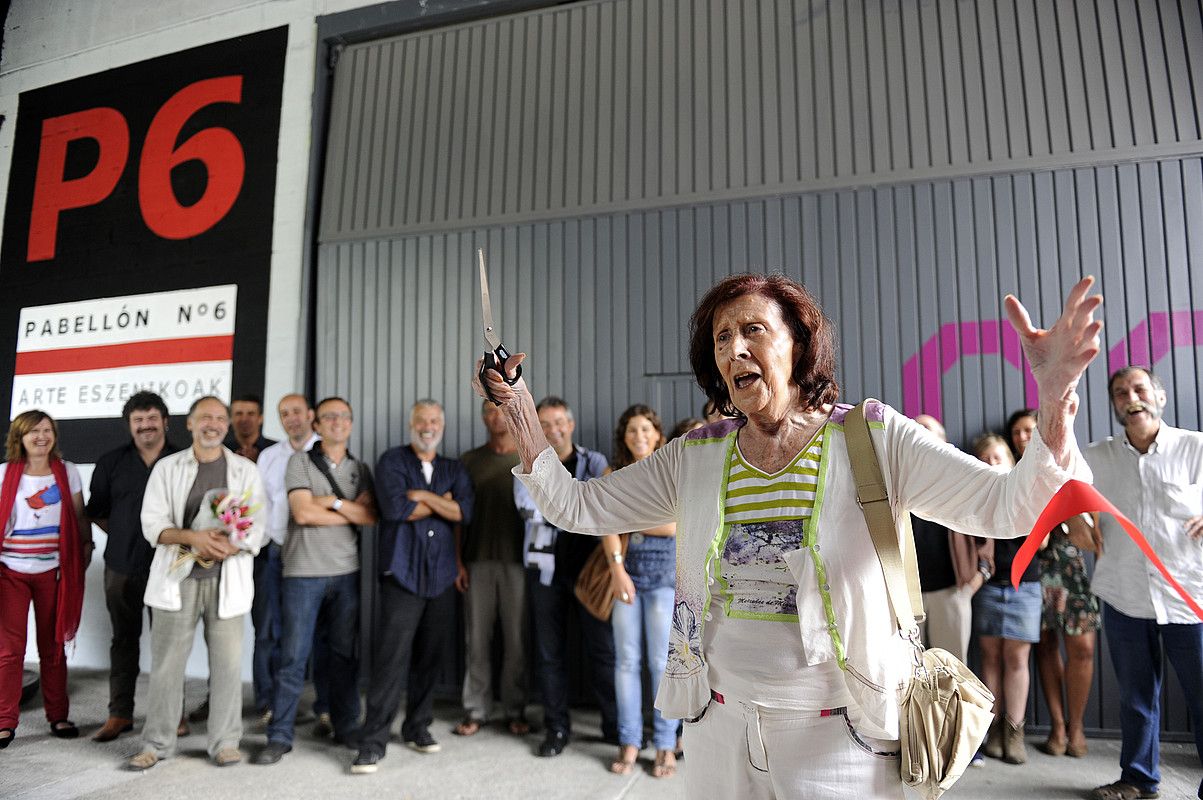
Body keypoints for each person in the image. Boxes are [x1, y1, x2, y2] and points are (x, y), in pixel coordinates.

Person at [475, 272, 1101, 798]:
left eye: (753, 330)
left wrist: (1053, 398)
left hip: (844, 736)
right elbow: (576, 505)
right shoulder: (697, 453)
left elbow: (1008, 509)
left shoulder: (874, 437)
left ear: (799, 344)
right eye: (722, 338)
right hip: (719, 728)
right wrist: (518, 408)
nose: (734, 348)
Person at [127, 395, 267, 771]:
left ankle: (224, 742)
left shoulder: (244, 471)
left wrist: (230, 544)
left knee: (226, 665)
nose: (213, 424)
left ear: (227, 426)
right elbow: (152, 525)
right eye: (205, 417)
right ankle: (156, 743)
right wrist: (194, 538)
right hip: (178, 578)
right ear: (189, 424)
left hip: (227, 580)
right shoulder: (168, 468)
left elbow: (259, 527)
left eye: (220, 418)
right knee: (167, 666)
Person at [1084, 367, 1203, 800]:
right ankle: (1138, 779)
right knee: (1135, 699)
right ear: (1114, 404)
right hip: (1124, 594)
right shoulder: (1095, 458)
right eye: (1120, 393)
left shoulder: (1197, 448)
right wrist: (1074, 526)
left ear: (1159, 396)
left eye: (1138, 389)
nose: (1130, 397)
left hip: (1188, 597)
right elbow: (1072, 512)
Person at [351, 400, 473, 774]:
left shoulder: (454, 467)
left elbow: (465, 513)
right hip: (401, 574)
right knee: (390, 660)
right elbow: (393, 510)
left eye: (435, 420)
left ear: (443, 425)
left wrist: (420, 497)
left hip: (440, 577)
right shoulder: (391, 461)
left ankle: (417, 727)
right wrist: (441, 503)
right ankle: (372, 742)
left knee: (429, 658)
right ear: (411, 424)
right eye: (422, 420)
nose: (428, 426)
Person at [257, 397, 376, 765]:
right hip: (302, 573)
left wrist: (333, 504)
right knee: (293, 656)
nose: (337, 422)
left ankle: (345, 726)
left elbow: (369, 516)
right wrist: (346, 510)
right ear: (317, 425)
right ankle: (279, 735)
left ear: (351, 424)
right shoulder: (300, 461)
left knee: (342, 654)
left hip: (346, 573)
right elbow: (302, 512)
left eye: (344, 416)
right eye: (329, 417)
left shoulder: (360, 468)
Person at [513, 396, 617, 757]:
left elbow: (601, 509)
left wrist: (566, 505)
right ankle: (556, 728)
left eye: (559, 423)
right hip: (544, 574)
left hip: (589, 573)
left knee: (602, 652)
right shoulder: (527, 466)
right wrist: (574, 503)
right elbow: (531, 511)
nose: (553, 430)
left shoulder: (595, 462)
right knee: (549, 654)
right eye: (544, 425)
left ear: (570, 425)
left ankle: (614, 727)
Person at [1006, 408, 1099, 759]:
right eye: (1016, 433)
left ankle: (1077, 728)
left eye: (1029, 430)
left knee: (1083, 649)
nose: (1021, 437)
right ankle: (1058, 727)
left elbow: (1089, 539)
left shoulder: (1069, 471)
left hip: (1071, 570)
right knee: (1044, 647)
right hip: (1033, 571)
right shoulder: (1014, 476)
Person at [87, 392, 179, 742]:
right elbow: (97, 510)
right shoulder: (111, 462)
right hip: (121, 565)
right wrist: (126, 532)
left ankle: (173, 714)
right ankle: (119, 715)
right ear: (129, 424)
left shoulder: (182, 459)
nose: (146, 425)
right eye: (138, 420)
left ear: (165, 421)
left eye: (152, 418)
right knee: (123, 640)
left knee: (169, 644)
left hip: (169, 566)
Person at [0, 410, 88, 748]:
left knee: (53, 648)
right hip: (11, 574)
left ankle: (58, 715)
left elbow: (79, 517)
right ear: (19, 437)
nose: (41, 436)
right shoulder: (7, 473)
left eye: (47, 430)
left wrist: (85, 548)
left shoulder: (68, 473)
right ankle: (5, 721)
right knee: (9, 651)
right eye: (33, 431)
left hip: (54, 572)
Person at [600, 404, 678, 778]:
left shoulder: (671, 472)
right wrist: (616, 568)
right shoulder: (612, 474)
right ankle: (630, 741)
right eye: (632, 430)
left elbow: (675, 526)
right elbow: (605, 524)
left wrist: (627, 515)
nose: (639, 436)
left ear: (658, 435)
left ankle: (665, 744)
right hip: (625, 576)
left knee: (661, 664)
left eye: (646, 429)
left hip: (665, 578)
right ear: (624, 437)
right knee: (626, 662)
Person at [454, 401, 529, 737]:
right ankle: (476, 709)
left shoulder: (527, 458)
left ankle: (515, 709)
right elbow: (457, 517)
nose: (495, 416)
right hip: (477, 560)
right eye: (488, 411)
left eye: (500, 410)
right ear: (483, 417)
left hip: (519, 563)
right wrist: (458, 561)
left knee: (517, 641)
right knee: (476, 640)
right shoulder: (469, 461)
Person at [969, 433, 1042, 765]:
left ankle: (1015, 731)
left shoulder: (1029, 491)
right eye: (984, 459)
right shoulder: (975, 498)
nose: (991, 464)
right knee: (989, 658)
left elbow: (1041, 543)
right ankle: (993, 727)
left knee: (1016, 658)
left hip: (1024, 587)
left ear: (1011, 462)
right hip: (988, 585)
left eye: (997, 457)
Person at [252, 394, 320, 728]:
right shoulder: (269, 456)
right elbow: (258, 504)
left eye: (296, 411)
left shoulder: (325, 449)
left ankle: (323, 706)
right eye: (284, 414)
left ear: (310, 414)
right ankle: (267, 703)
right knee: (268, 631)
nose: (291, 418)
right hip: (275, 551)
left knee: (317, 631)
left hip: (316, 553)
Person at [909, 415, 987, 664]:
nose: (918, 431)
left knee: (953, 673)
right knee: (909, 674)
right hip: (907, 597)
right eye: (914, 427)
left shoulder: (961, 479)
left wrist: (976, 579)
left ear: (943, 441)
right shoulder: (896, 479)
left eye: (926, 428)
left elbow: (985, 534)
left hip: (952, 591)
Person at [224, 394, 277, 463]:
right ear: (230, 418)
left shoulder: (276, 450)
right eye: (239, 413)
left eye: (251, 414)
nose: (244, 419)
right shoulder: (222, 451)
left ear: (260, 418)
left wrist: (259, 461)